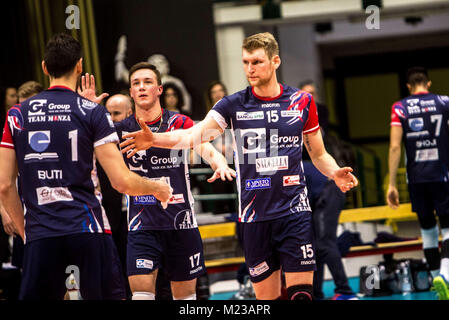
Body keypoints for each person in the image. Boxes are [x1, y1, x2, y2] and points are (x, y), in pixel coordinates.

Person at [120, 32, 358, 300]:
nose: (249, 69)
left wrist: (334, 170)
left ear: (275, 61)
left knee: (301, 295)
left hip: (295, 212)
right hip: (255, 218)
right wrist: (154, 139)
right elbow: (192, 135)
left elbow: (318, 154)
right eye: (245, 62)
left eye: (256, 62)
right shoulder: (233, 104)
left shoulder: (302, 102)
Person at [0, 33, 172, 300]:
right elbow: (121, 181)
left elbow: (5, 185)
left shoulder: (17, 115)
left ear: (45, 67)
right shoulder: (92, 112)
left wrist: (27, 232)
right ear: (79, 66)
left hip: (41, 234)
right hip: (88, 231)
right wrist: (158, 188)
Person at [85, 61, 235, 300]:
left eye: (148, 82)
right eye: (136, 83)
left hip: (181, 224)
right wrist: (86, 114)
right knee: (142, 295)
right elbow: (83, 145)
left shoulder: (179, 122)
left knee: (185, 299)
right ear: (131, 92)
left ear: (159, 89)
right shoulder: (120, 129)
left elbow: (204, 146)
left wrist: (220, 163)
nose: (142, 87)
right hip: (142, 225)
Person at [387, 66, 449, 300]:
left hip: (417, 179)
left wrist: (392, 183)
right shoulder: (444, 102)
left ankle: (436, 281)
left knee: (429, 233)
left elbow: (394, 147)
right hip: (443, 174)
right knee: (448, 229)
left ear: (408, 86)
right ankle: (444, 274)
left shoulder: (400, 107)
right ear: (429, 83)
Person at [303, 161, 358, 300]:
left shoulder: (289, 167)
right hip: (321, 195)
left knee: (325, 243)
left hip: (328, 191)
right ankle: (315, 293)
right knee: (315, 246)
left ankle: (345, 292)